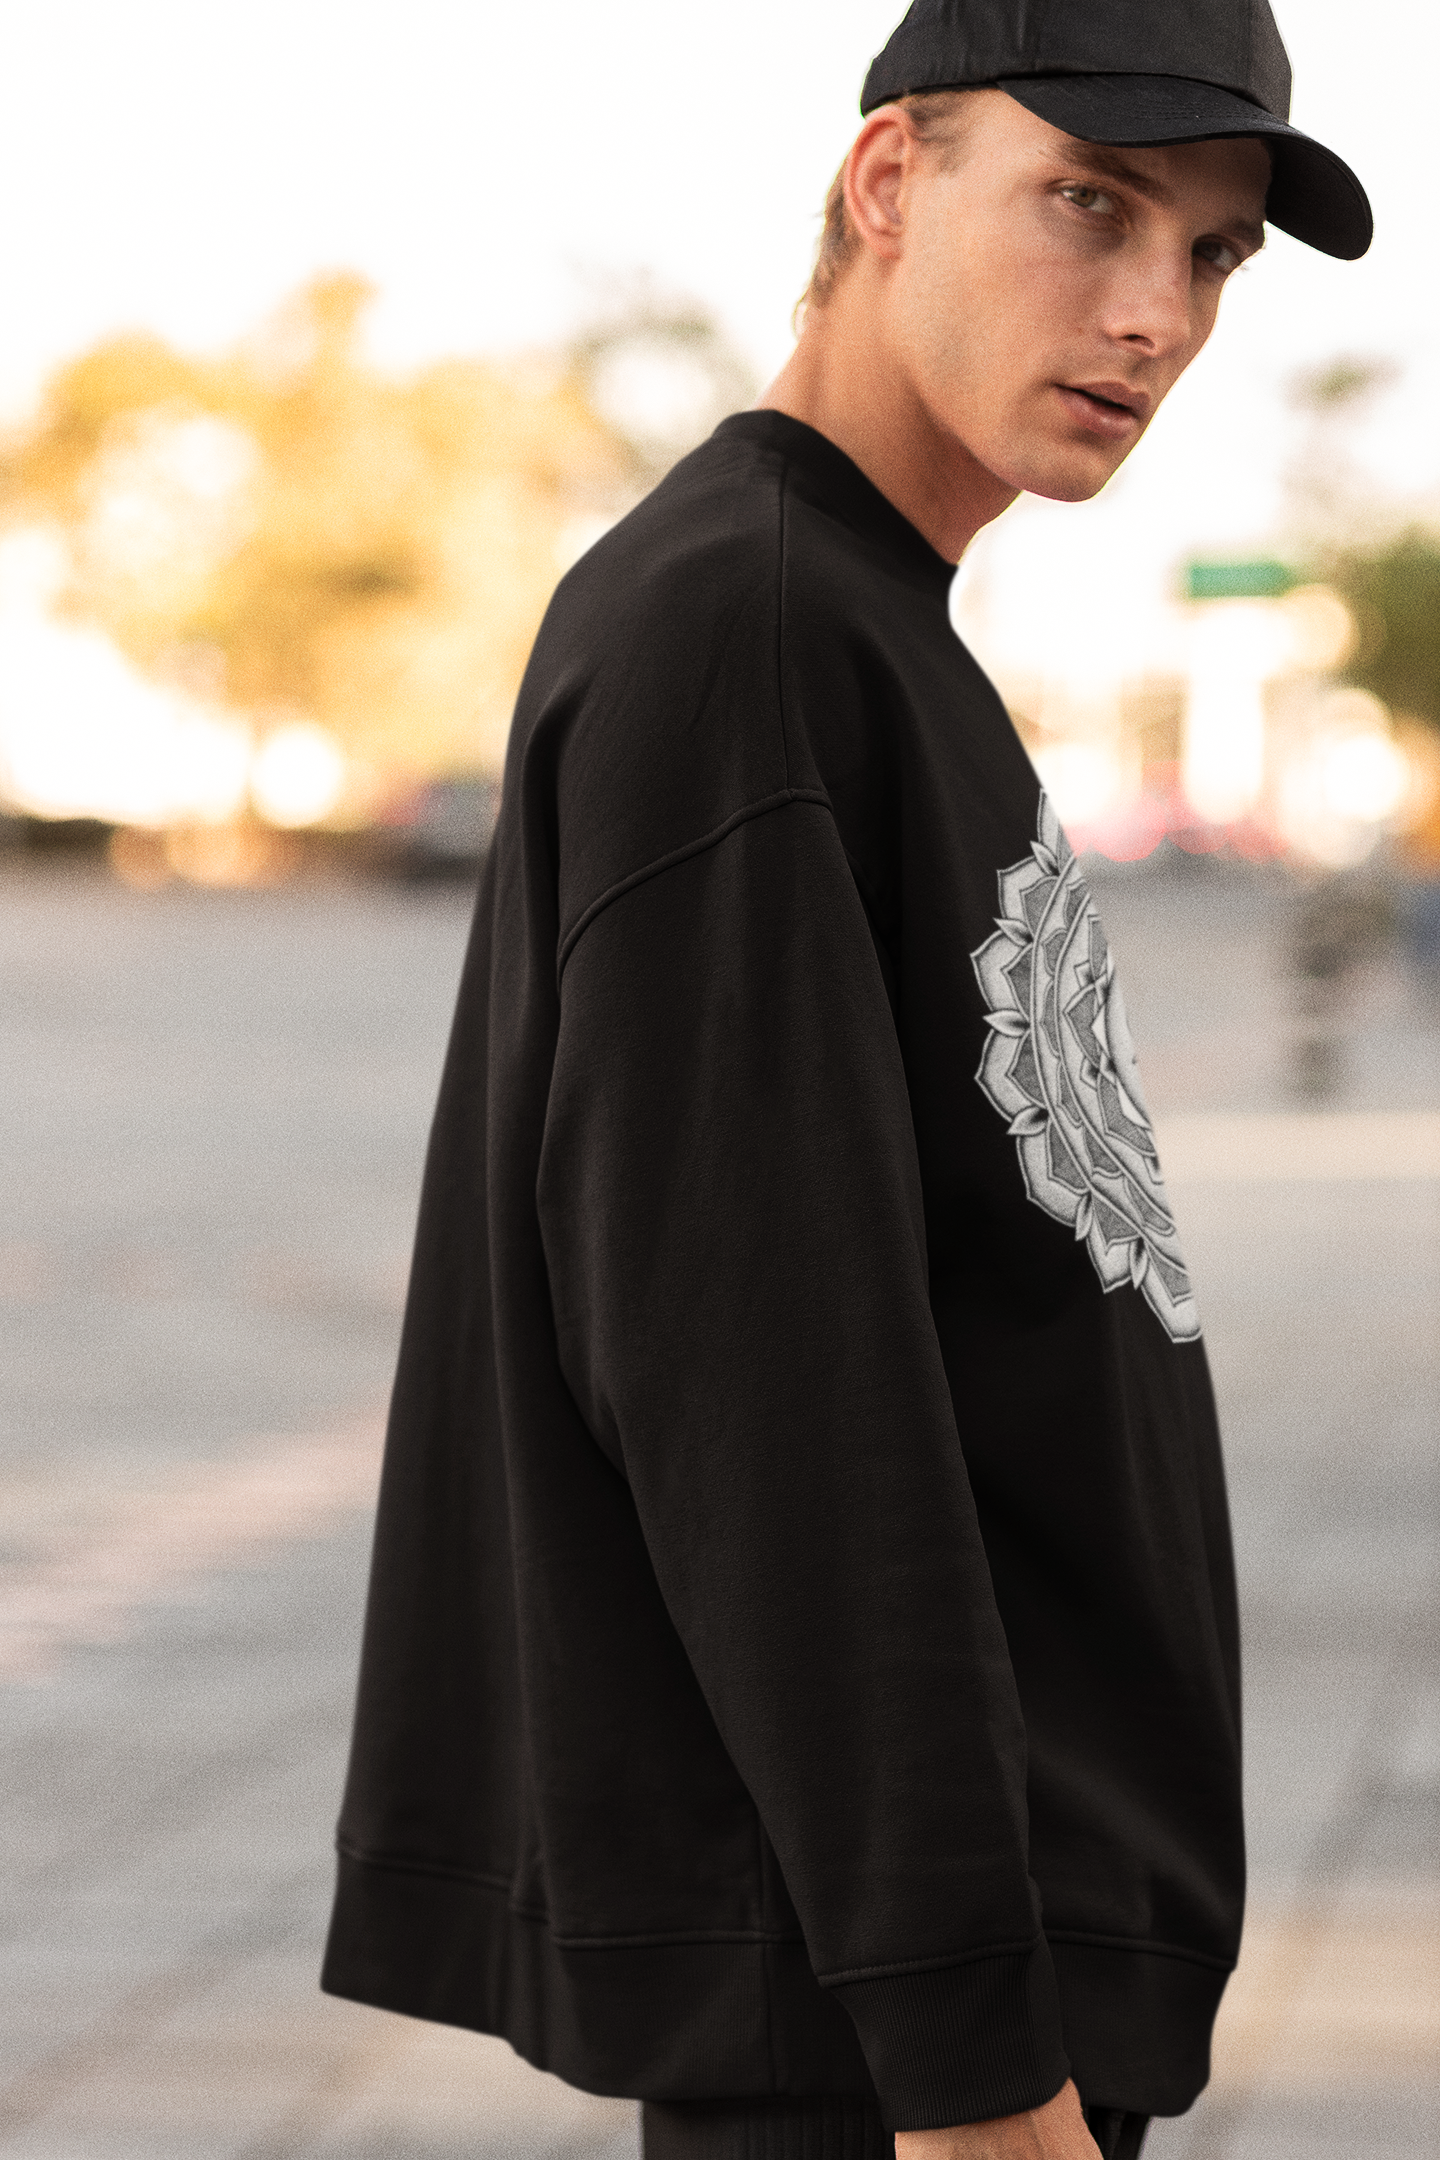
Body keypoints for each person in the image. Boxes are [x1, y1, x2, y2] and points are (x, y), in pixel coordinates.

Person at [320, 5, 1370, 2157]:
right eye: (1090, 205)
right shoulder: (754, 634)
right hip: (883, 2045)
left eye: (1211, 253)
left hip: (924, 1998)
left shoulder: (857, 621)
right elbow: (762, 1389)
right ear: (890, 184)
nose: (1152, 312)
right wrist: (977, 2071)